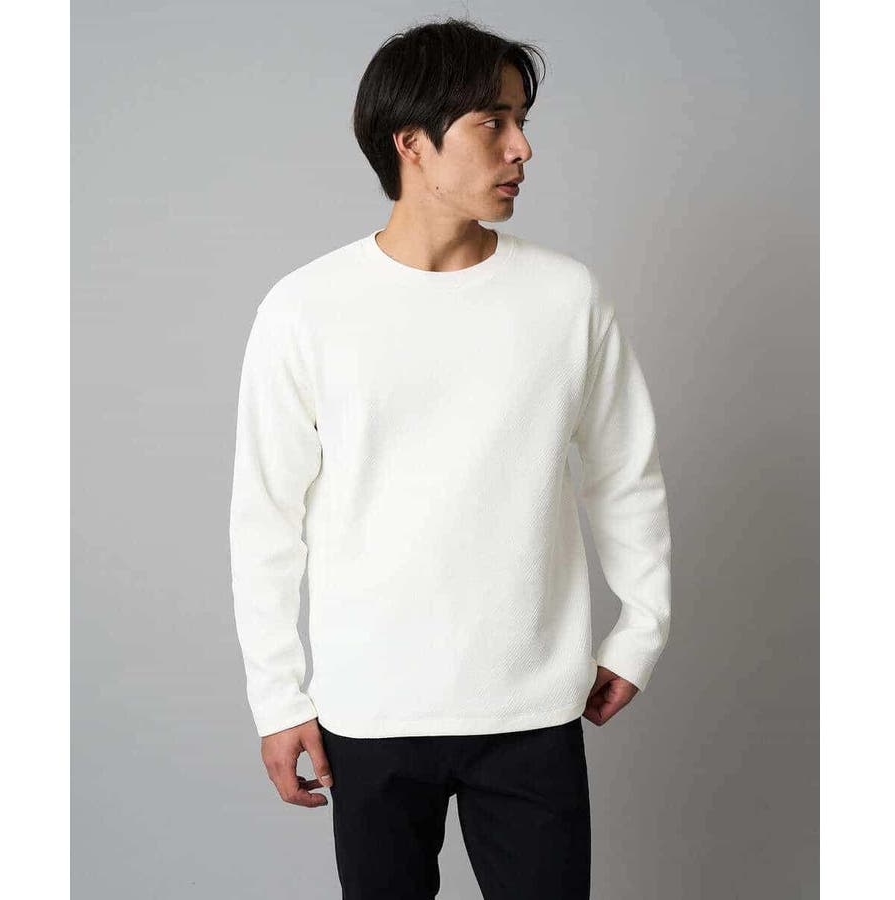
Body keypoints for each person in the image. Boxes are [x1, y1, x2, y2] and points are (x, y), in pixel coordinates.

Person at [229, 17, 671, 899]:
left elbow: (626, 475)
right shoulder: (307, 308)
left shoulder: (565, 296)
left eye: (521, 122)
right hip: (371, 708)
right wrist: (278, 698)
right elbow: (265, 518)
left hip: (532, 704)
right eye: (492, 123)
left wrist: (641, 630)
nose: (522, 148)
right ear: (411, 143)